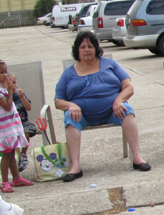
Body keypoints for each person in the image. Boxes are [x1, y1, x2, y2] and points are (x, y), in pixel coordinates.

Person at [54, 31, 151, 181]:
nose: (86, 50)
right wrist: (71, 104)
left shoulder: (110, 64)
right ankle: (76, 166)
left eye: (90, 46)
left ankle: (137, 158)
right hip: (82, 115)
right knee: (69, 117)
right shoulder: (68, 73)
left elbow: (128, 87)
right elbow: (58, 101)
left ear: (96, 49)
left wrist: (119, 100)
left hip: (112, 111)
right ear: (77, 50)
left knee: (127, 111)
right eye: (82, 47)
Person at [0, 60, 32, 193]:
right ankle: (5, 182)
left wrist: (8, 89)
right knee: (6, 154)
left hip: (10, 126)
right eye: (1, 72)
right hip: (4, 128)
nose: (5, 75)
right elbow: (7, 106)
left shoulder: (1, 89)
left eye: (5, 71)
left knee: (11, 152)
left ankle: (16, 178)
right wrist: (10, 92)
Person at [8, 74, 37, 172]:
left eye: (14, 83)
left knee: (26, 131)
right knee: (12, 135)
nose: (13, 86)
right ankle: (20, 157)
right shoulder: (3, 97)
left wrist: (22, 97)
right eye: (9, 84)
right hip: (11, 126)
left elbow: (28, 108)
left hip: (23, 123)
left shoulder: (19, 95)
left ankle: (23, 154)